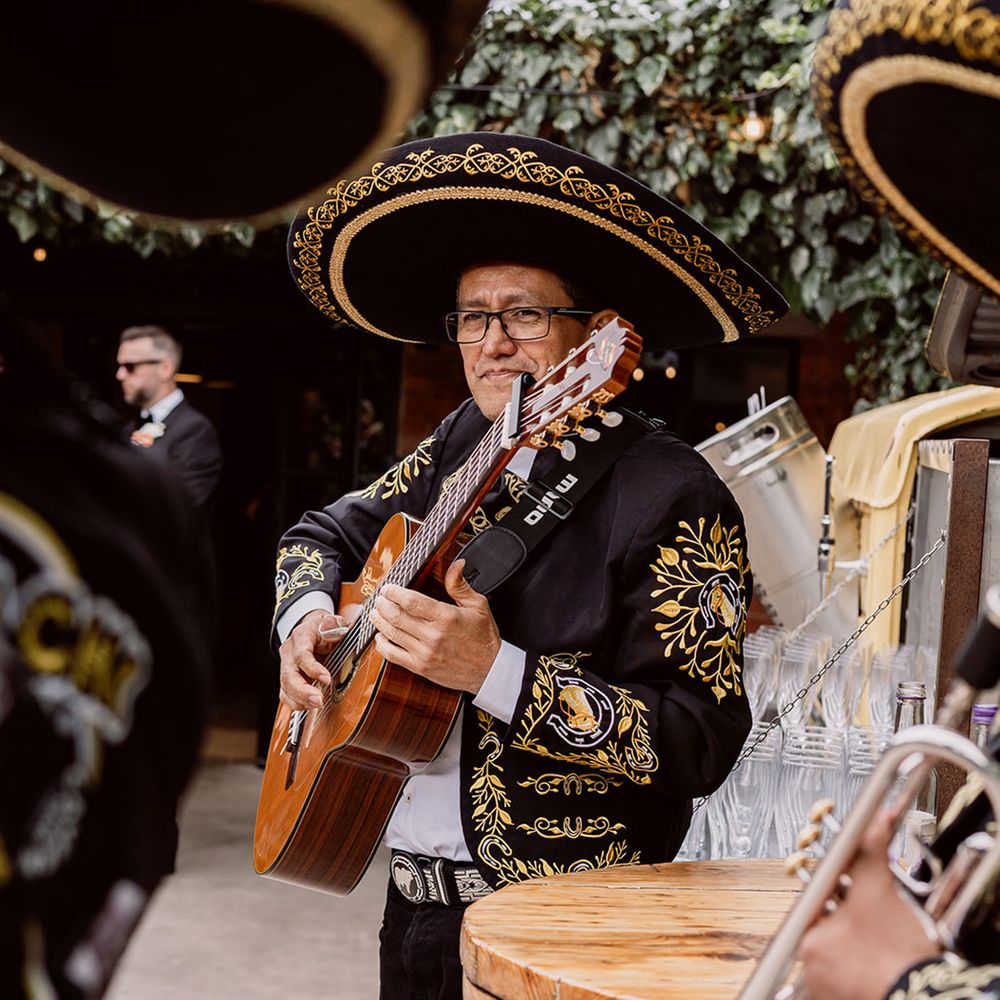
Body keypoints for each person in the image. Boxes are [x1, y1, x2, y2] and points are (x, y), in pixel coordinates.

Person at [270, 131, 789, 999]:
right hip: (413, 912)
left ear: (596, 336)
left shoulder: (673, 492)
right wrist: (304, 623)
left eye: (524, 314)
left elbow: (699, 741)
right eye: (473, 317)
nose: (492, 342)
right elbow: (318, 534)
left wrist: (495, 672)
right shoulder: (459, 443)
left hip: (565, 925)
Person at [116, 325, 222, 510]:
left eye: (130, 366)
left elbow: (180, 509)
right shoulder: (126, 428)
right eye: (119, 366)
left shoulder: (195, 431)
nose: (120, 375)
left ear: (165, 368)